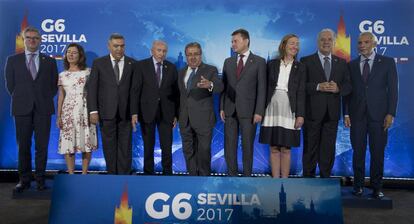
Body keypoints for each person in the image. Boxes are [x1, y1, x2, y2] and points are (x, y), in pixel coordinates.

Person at [344, 32, 398, 199]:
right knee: (358, 152)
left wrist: (390, 113)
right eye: (360, 42)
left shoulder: (387, 62)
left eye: (366, 42)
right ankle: (358, 186)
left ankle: (377, 187)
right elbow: (347, 92)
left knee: (377, 153)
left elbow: (393, 91)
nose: (362, 45)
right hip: (357, 116)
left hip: (380, 116)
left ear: (374, 43)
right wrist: (345, 113)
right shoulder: (351, 65)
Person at [4, 26, 58, 191]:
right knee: (23, 146)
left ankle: (40, 180)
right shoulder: (13, 60)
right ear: (24, 40)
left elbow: (53, 85)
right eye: (29, 37)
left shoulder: (50, 61)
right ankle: (24, 180)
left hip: (43, 108)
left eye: (35, 38)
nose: (32, 40)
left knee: (42, 146)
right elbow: (10, 85)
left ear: (40, 40)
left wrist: (41, 97)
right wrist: (24, 97)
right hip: (21, 109)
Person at [300, 29, 352, 178]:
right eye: (323, 39)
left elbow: (348, 86)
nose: (326, 42)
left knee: (328, 149)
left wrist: (338, 88)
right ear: (318, 42)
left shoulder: (341, 63)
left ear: (334, 42)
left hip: (332, 114)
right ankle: (308, 181)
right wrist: (318, 86)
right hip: (312, 114)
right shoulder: (306, 61)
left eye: (329, 39)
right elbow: (301, 86)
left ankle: (325, 180)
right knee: (310, 148)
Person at [87, 33, 136, 175]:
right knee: (109, 146)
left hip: (126, 113)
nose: (119, 49)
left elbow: (134, 91)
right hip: (106, 112)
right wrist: (93, 111)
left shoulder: (132, 63)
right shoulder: (99, 63)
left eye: (122, 46)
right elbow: (92, 88)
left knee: (125, 147)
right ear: (109, 46)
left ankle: (124, 176)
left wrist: (134, 112)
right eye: (116, 46)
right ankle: (112, 175)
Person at [220, 29, 266, 176]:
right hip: (229, 110)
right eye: (232, 41)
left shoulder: (259, 62)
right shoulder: (228, 62)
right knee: (229, 146)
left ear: (246, 41)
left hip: (250, 112)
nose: (233, 44)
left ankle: (247, 178)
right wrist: (221, 107)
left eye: (235, 41)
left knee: (247, 147)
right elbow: (224, 86)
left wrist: (259, 111)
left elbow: (262, 89)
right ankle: (231, 176)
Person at [259, 34, 306, 178]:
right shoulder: (272, 64)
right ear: (284, 45)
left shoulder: (301, 67)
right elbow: (264, 88)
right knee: (273, 147)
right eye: (292, 43)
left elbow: (301, 92)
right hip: (272, 108)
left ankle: (285, 182)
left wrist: (300, 114)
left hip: (289, 109)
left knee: (286, 148)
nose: (295, 47)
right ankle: (275, 181)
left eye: (297, 44)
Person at [131, 40, 179, 175]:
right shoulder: (141, 66)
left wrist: (176, 114)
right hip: (146, 112)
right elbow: (135, 90)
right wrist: (134, 112)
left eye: (164, 51)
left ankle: (167, 173)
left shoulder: (171, 67)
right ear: (152, 51)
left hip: (167, 113)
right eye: (159, 50)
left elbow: (176, 93)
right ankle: (148, 174)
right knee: (148, 146)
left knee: (166, 146)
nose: (161, 53)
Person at [178, 42, 223, 176]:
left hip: (204, 120)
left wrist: (210, 85)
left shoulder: (210, 70)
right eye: (189, 54)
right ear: (186, 56)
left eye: (196, 54)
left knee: (204, 151)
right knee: (188, 151)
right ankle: (193, 178)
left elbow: (220, 87)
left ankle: (204, 180)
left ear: (200, 55)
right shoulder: (180, 72)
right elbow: (180, 96)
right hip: (185, 119)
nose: (193, 57)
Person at [56, 43, 97, 174]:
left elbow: (93, 93)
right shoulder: (62, 75)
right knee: (69, 144)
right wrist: (59, 116)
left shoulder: (88, 72)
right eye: (68, 52)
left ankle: (84, 174)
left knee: (87, 144)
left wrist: (93, 112)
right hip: (68, 113)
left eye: (74, 52)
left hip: (85, 111)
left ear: (80, 55)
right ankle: (71, 174)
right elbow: (61, 96)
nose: (71, 54)